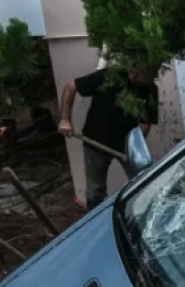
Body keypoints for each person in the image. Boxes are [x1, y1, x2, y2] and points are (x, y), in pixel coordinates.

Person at [58, 64, 160, 208]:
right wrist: (65, 119)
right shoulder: (109, 77)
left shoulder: (150, 90)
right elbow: (70, 87)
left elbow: (145, 124)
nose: (155, 77)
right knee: (95, 192)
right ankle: (96, 221)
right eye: (153, 72)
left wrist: (135, 147)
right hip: (95, 141)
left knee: (143, 181)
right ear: (139, 69)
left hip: (126, 145)